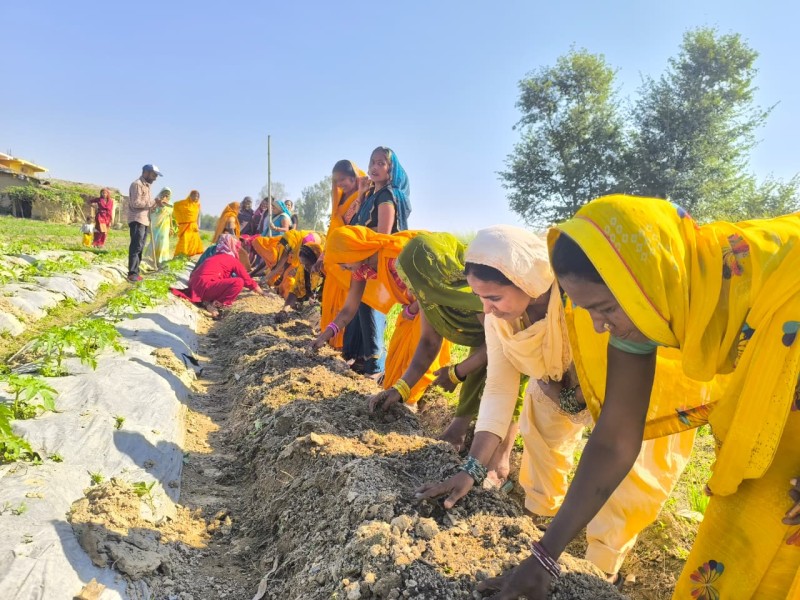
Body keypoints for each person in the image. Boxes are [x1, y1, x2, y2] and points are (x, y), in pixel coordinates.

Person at [479, 195, 800, 600]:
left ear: (648, 282)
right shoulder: (645, 308)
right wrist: (544, 555)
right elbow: (614, 439)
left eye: (605, 309)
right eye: (587, 310)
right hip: (775, 450)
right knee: (742, 543)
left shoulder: (777, 279)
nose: (598, 327)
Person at [415, 224, 695, 585]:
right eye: (480, 298)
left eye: (494, 298)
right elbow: (499, 388)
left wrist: (571, 395)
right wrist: (472, 469)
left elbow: (614, 375)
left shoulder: (581, 300)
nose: (486, 309)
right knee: (540, 432)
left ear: (526, 281)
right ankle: (538, 519)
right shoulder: (501, 321)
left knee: (630, 479)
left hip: (632, 393)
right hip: (554, 387)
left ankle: (599, 570)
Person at [366, 231, 513, 453]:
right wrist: (400, 388)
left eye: (412, 279)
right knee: (476, 375)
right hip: (487, 346)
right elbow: (428, 342)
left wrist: (457, 372)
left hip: (514, 348)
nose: (408, 288)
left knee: (504, 394)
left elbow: (499, 344)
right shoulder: (431, 295)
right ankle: (460, 433)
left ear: (429, 273)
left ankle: (499, 456)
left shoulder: (477, 295)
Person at [312, 225, 451, 406]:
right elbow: (348, 310)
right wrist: (324, 336)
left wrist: (414, 308)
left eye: (342, 262)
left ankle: (411, 402)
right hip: (413, 311)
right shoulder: (361, 268)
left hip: (433, 306)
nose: (344, 269)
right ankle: (402, 400)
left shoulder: (395, 258)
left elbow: (432, 288)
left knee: (420, 354)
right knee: (396, 362)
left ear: (353, 250)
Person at [343, 147, 412, 376]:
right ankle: (364, 361)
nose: (374, 167)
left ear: (391, 169)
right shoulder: (373, 195)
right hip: (366, 259)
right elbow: (353, 222)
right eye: (372, 162)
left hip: (378, 260)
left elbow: (383, 236)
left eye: (381, 163)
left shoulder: (387, 196)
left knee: (371, 309)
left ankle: (375, 366)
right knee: (361, 307)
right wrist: (361, 193)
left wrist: (364, 260)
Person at [171, 233, 266, 318]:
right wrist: (262, 293)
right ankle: (218, 304)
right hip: (205, 286)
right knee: (238, 282)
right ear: (232, 247)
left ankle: (206, 301)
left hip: (193, 285)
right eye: (237, 247)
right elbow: (247, 280)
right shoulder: (232, 260)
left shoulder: (212, 256)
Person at [127, 164, 165, 282]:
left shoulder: (147, 186)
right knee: (136, 246)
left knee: (140, 247)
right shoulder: (137, 184)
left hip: (144, 220)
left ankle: (136, 271)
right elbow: (136, 203)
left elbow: (147, 206)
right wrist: (153, 202)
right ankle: (132, 273)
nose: (155, 178)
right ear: (146, 172)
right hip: (137, 219)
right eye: (154, 175)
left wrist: (157, 204)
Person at [144, 187, 174, 266]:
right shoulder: (156, 201)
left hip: (165, 225)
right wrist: (158, 204)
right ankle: (151, 259)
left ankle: (161, 260)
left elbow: (170, 216)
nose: (166, 195)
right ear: (162, 193)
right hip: (156, 225)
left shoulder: (171, 204)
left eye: (168, 193)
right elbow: (152, 211)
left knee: (163, 240)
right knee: (155, 240)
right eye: (165, 193)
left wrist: (171, 227)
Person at [173, 190, 204, 257]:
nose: (196, 198)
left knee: (193, 242)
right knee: (184, 241)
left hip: (194, 227)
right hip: (185, 227)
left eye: (197, 196)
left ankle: (190, 255)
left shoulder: (197, 205)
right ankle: (180, 255)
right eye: (194, 196)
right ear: (190, 196)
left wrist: (198, 225)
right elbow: (175, 205)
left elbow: (198, 216)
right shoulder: (183, 204)